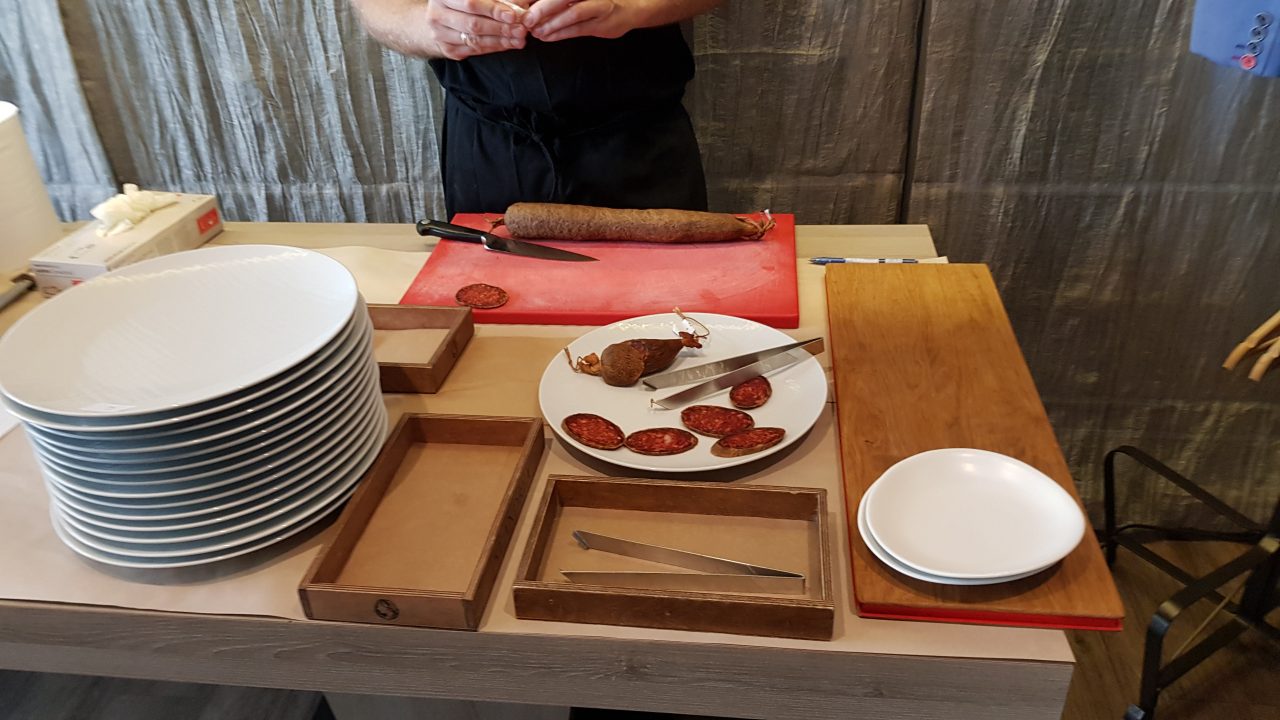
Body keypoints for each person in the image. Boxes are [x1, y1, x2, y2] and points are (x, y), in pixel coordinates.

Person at [351, 0, 723, 216]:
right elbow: (379, 7)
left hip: (642, 142)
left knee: (663, 308)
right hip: (488, 146)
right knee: (496, 312)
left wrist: (636, 6)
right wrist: (427, 26)